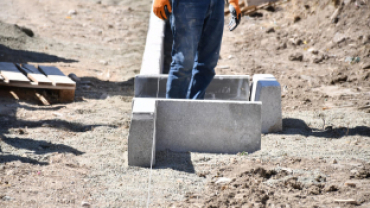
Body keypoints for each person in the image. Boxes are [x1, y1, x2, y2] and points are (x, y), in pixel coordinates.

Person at [153, 0, 241, 99]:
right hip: (187, 4)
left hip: (216, 4)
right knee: (183, 64)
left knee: (207, 65)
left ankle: (194, 109)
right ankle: (174, 111)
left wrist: (233, 2)